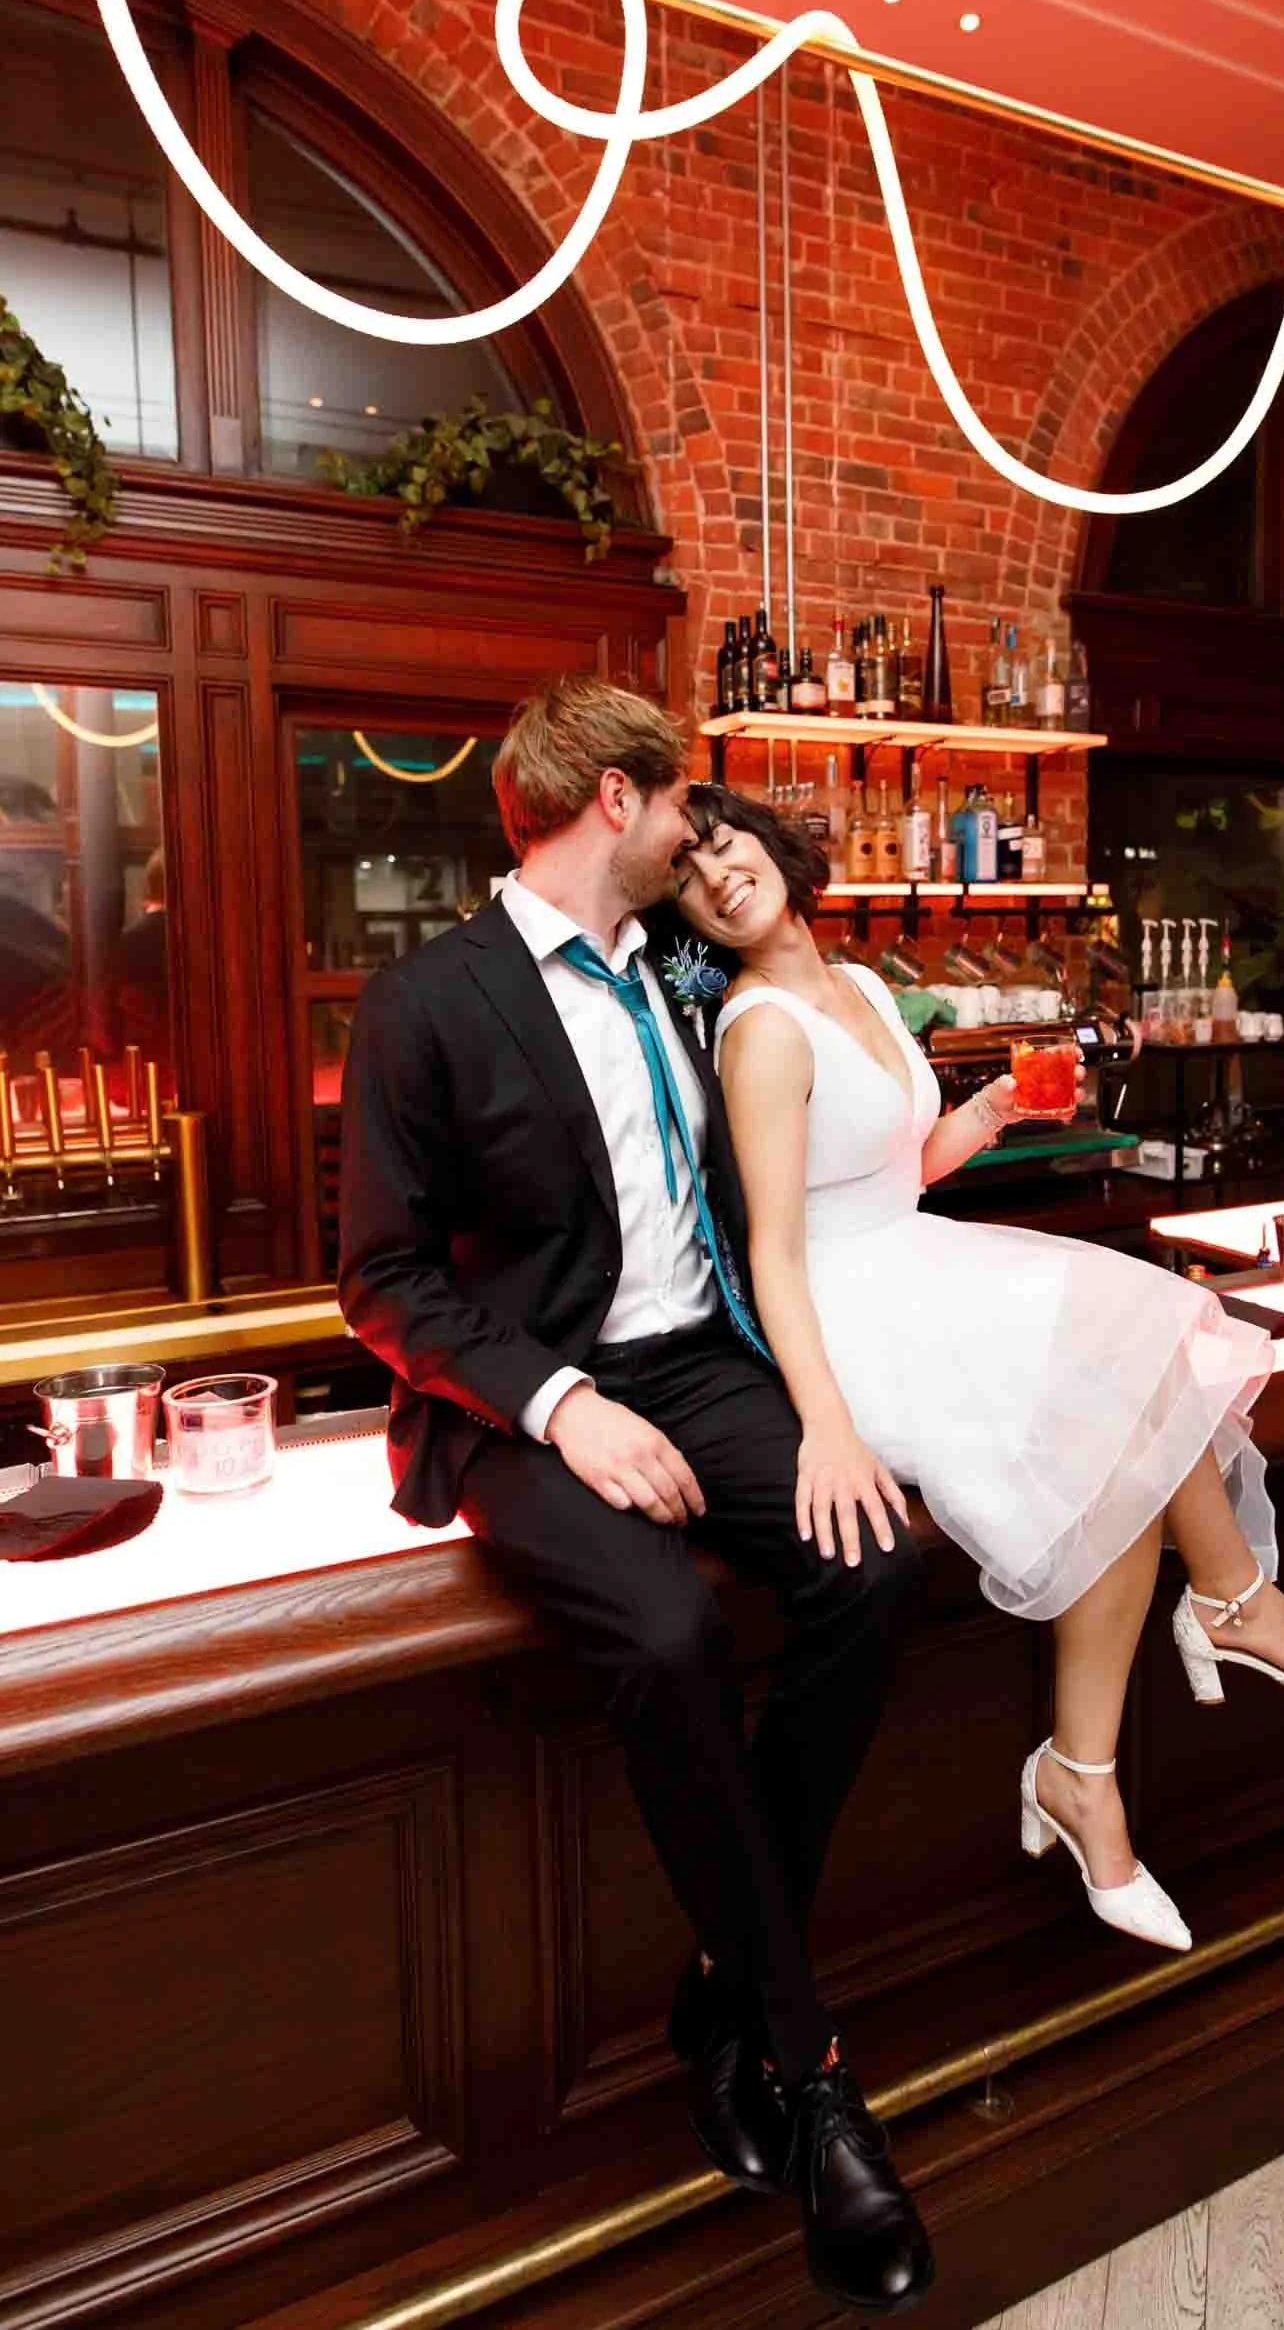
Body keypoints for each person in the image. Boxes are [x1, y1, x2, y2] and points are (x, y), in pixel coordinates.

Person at [337, 682, 933, 2316]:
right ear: (618, 799)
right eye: (684, 804)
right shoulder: (426, 1006)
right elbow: (379, 1285)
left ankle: (720, 1987)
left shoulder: (682, 975)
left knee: (871, 1564)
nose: (698, 830)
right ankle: (811, 2075)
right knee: (668, 1628)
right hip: (529, 1410)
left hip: (702, 1367)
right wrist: (559, 1402)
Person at [669, 784, 1284, 1952]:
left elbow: (898, 1167)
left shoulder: (853, 984)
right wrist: (827, 1423)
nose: (715, 878)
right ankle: (1226, 1612)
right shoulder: (755, 1029)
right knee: (1136, 1366)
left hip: (914, 1253)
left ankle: (1094, 1756)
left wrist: (990, 1105)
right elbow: (776, 1248)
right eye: (687, 881)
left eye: (721, 848)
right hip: (860, 1309)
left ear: (767, 839)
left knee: (1132, 1399)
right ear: (690, 919)